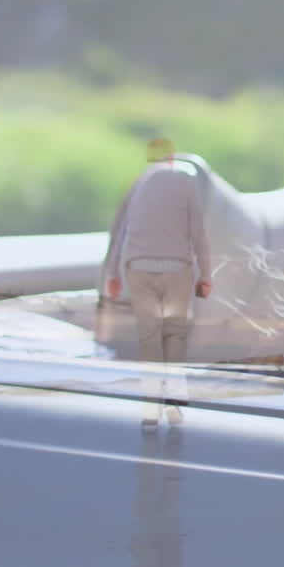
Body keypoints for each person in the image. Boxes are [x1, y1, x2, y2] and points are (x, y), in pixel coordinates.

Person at [104, 137, 213, 426]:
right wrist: (206, 275)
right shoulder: (185, 183)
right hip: (177, 269)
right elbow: (198, 234)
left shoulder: (137, 183)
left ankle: (150, 406)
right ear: (173, 158)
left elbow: (120, 232)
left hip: (138, 268)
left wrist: (112, 273)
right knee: (174, 334)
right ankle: (174, 400)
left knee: (149, 337)